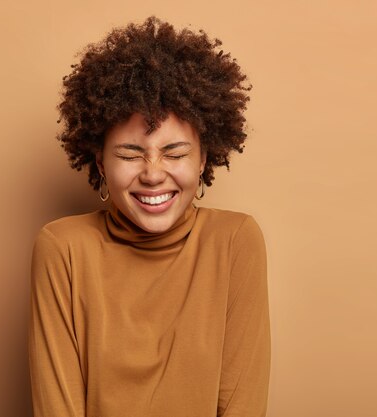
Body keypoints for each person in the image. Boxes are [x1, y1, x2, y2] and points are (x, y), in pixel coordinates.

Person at [28, 16, 271, 417]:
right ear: (101, 162)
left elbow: (242, 403)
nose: (154, 173)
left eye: (175, 154)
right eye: (129, 154)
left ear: (204, 158)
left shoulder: (235, 241)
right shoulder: (63, 248)